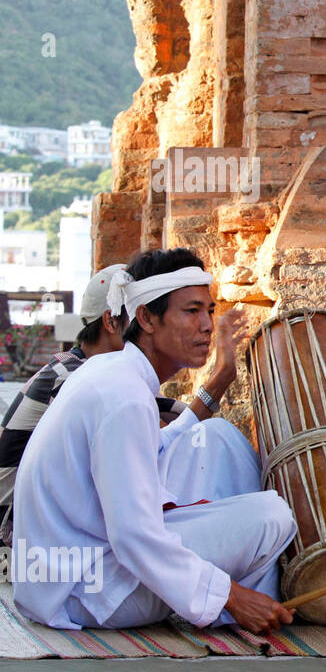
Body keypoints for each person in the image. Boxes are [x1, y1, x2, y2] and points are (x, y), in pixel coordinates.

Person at [11, 248, 297, 633]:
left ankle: (252, 605)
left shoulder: (114, 374)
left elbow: (159, 449)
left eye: (209, 311)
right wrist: (230, 594)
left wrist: (222, 377)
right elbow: (133, 536)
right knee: (271, 517)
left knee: (214, 435)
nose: (207, 325)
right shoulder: (123, 396)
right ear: (145, 317)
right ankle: (251, 611)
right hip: (84, 592)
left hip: (69, 579)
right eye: (191, 311)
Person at [0, 264, 244, 546]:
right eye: (141, 315)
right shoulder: (82, 379)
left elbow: (170, 424)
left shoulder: (98, 371)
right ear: (111, 322)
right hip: (24, 529)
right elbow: (167, 436)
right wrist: (220, 379)